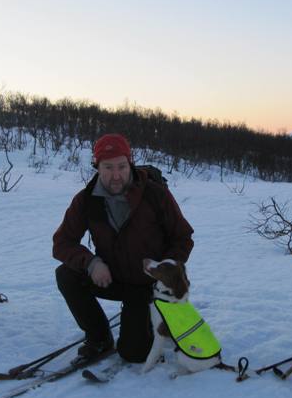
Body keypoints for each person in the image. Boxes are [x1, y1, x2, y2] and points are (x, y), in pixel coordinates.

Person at [53, 133, 194, 364]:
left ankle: (159, 317)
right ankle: (99, 337)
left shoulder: (154, 194)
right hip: (112, 278)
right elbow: (62, 242)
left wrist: (164, 271)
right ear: (97, 166)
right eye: (108, 167)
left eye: (121, 166)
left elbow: (183, 237)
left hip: (148, 285)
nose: (116, 175)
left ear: (130, 163)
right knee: (66, 275)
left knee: (135, 354)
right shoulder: (87, 200)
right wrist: (92, 263)